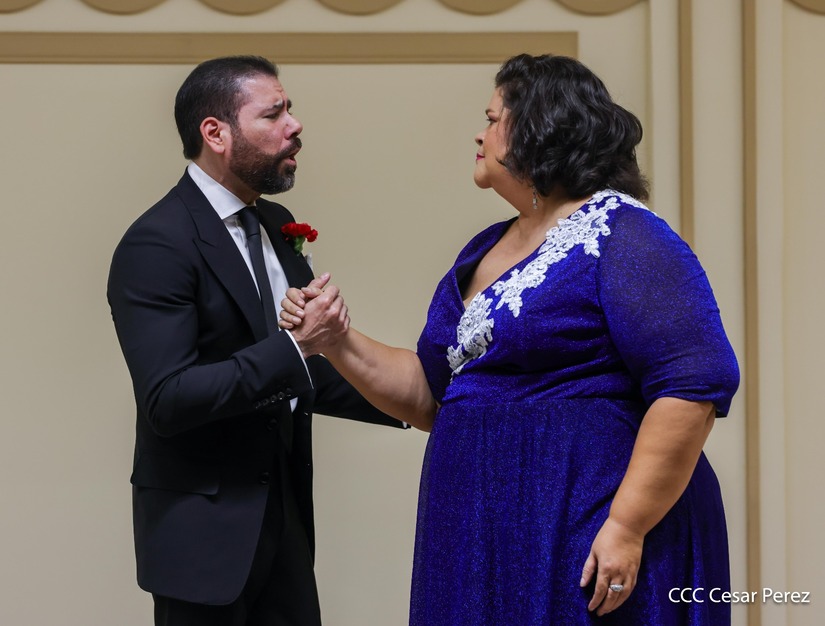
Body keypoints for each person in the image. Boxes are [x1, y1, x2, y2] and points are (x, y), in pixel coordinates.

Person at [279, 54, 740, 625]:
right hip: (481, 532)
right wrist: (336, 339)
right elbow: (434, 396)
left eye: (493, 119)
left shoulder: (625, 233)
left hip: (584, 526)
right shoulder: (485, 247)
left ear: (541, 127)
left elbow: (692, 385)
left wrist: (627, 525)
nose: (480, 134)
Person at [107, 55, 405, 626]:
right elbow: (169, 399)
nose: (295, 125)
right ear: (215, 133)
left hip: (285, 523)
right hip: (203, 542)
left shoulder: (274, 222)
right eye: (274, 114)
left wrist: (422, 399)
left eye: (290, 109)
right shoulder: (157, 243)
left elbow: (303, 374)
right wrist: (298, 346)